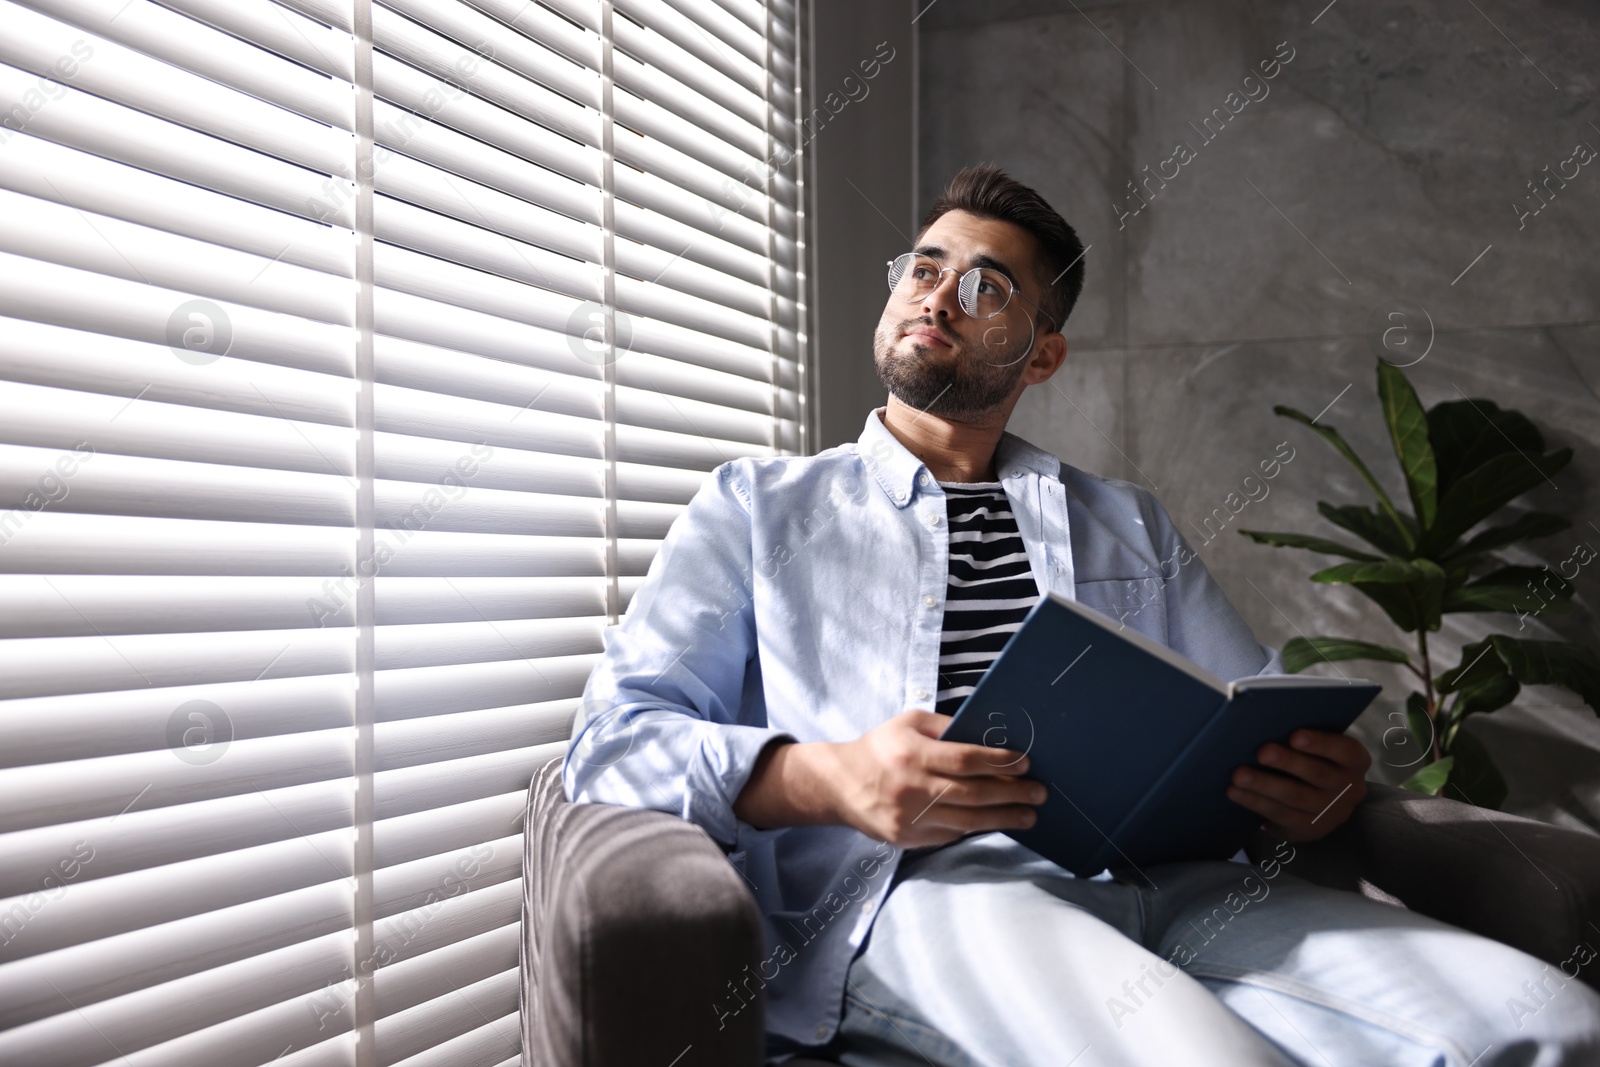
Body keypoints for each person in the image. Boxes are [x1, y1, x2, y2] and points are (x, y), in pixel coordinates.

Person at [564, 164, 1600, 1066]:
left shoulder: (1124, 522)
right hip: (930, 893)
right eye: (924, 268)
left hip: (1185, 883)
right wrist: (825, 773)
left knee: (1555, 1027)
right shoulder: (755, 508)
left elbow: (1253, 697)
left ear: (1041, 355)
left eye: (985, 287)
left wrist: (1316, 783)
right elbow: (609, 746)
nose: (939, 296)